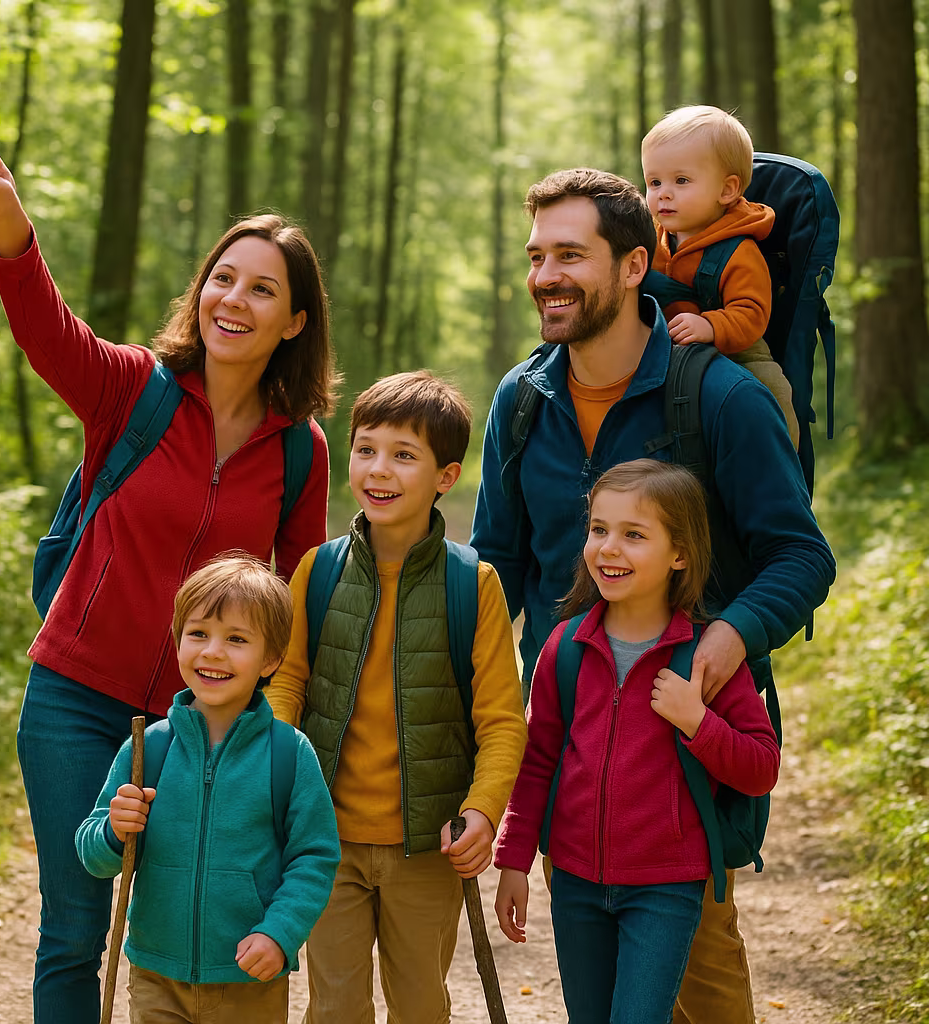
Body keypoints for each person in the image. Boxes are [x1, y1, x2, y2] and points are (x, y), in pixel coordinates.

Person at [0, 101, 337, 1023]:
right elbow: (50, 332)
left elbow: (295, 599)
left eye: (261, 290)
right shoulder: (133, 391)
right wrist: (12, 229)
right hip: (76, 701)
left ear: (293, 321)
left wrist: (273, 723)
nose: (232, 301)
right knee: (75, 933)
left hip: (210, 723)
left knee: (199, 931)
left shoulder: (300, 452)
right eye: (222, 279)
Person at [470, 167, 835, 1024]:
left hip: (691, 751)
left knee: (700, 988)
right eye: (536, 256)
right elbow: (495, 568)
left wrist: (732, 635)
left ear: (635, 266)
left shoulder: (718, 396)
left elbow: (800, 555)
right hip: (575, 753)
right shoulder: (522, 401)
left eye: (571, 254)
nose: (546, 275)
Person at [265, 371, 527, 1024]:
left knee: (420, 1007)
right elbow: (286, 686)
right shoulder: (317, 571)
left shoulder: (475, 584)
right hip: (325, 841)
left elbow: (500, 720)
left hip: (429, 849)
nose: (379, 470)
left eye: (404, 455)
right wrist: (276, 787)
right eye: (366, 449)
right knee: (334, 1008)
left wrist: (483, 810)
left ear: (446, 476)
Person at [493, 459, 780, 1024]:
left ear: (680, 554)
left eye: (634, 535)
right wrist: (513, 861)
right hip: (574, 882)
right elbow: (538, 763)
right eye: (599, 530)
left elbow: (760, 766)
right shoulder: (564, 648)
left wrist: (698, 721)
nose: (609, 549)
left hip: (666, 888)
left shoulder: (704, 659)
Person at [75, 553, 339, 1024]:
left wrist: (279, 934)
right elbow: (93, 855)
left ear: (271, 659)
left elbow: (314, 859)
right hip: (157, 974)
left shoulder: (288, 753)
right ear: (177, 641)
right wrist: (114, 830)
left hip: (248, 978)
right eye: (198, 633)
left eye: (237, 639)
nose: (213, 652)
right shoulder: (147, 749)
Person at [641, 104, 800, 446]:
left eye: (681, 180)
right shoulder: (654, 238)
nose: (663, 193)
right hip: (664, 347)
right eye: (654, 182)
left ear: (727, 190)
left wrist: (711, 326)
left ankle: (780, 462)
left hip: (736, 350)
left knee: (771, 388)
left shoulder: (738, 250)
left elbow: (751, 314)